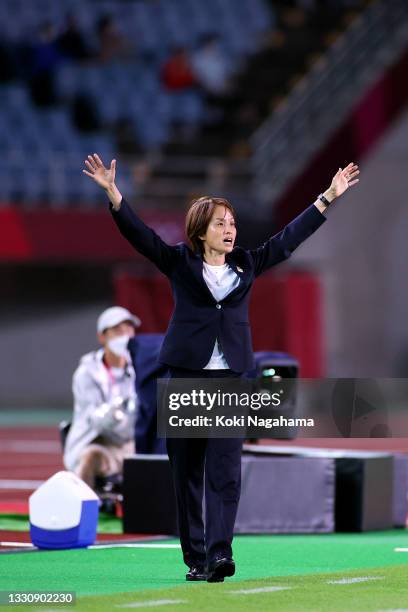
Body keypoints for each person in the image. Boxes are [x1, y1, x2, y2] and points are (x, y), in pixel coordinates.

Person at [82, 153, 359, 581]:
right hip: (186, 379)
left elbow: (286, 240)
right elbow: (141, 237)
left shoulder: (247, 264)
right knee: (187, 475)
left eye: (232, 224)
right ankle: (195, 558)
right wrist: (114, 194)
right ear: (200, 231)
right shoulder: (178, 261)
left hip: (231, 380)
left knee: (226, 473)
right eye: (220, 224)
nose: (230, 230)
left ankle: (220, 555)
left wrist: (326, 198)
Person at [64, 306, 141, 491]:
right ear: (102, 337)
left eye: (129, 329)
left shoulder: (141, 366)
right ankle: (83, 508)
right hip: (99, 443)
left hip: (132, 444)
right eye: (118, 330)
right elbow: (99, 422)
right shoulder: (86, 373)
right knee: (91, 457)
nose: (125, 336)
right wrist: (126, 414)